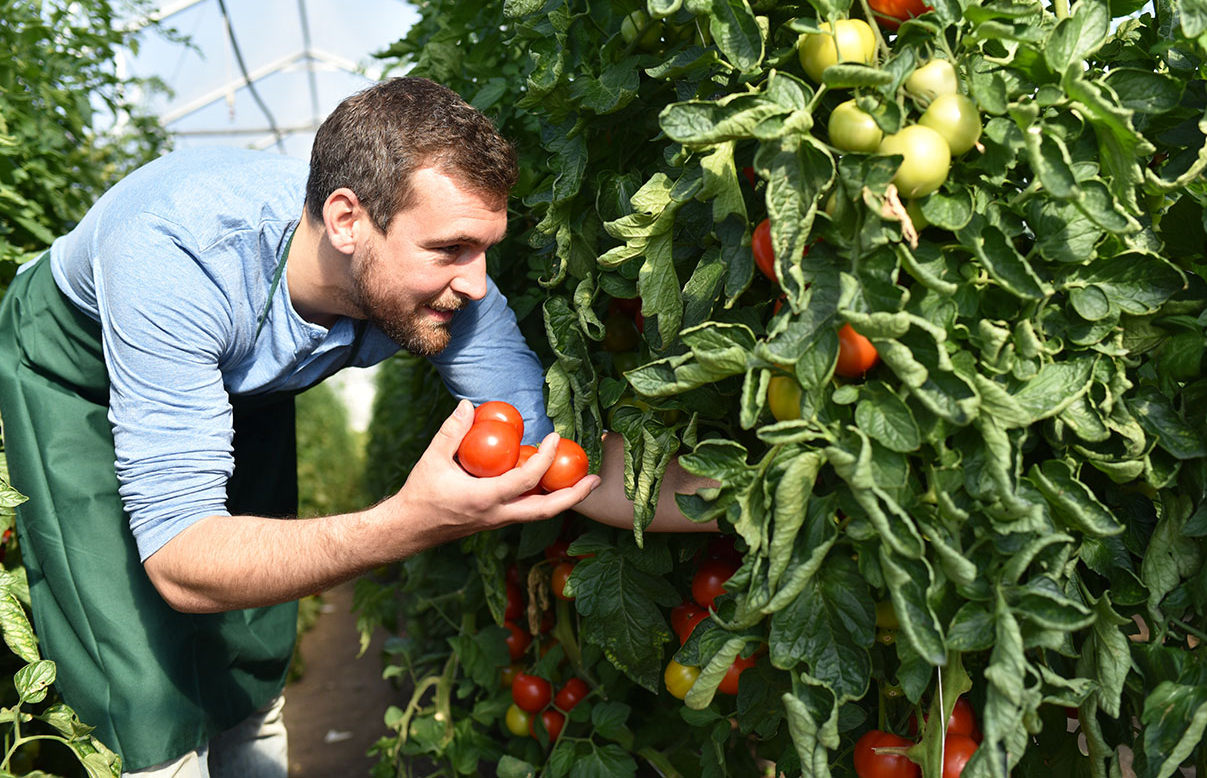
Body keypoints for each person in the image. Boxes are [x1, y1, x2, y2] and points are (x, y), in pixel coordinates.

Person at [0, 76, 709, 778]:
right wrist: (405, 524)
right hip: (80, 377)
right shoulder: (177, 256)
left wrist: (740, 501)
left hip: (235, 381)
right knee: (142, 692)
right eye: (450, 249)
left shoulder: (450, 288)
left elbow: (552, 456)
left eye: (484, 248)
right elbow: (181, 561)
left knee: (249, 662)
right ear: (346, 221)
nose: (476, 281)